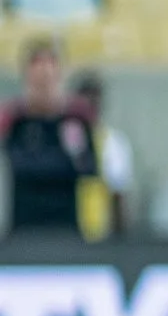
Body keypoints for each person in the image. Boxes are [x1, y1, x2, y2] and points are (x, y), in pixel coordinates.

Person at [0, 38, 98, 237]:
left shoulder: (75, 119)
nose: (44, 87)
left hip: (67, 228)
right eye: (38, 82)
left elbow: (88, 169)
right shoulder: (16, 121)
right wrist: (61, 162)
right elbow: (19, 166)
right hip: (24, 229)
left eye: (50, 79)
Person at [71, 70, 137, 240]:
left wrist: (119, 240)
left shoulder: (113, 142)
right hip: (66, 232)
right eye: (85, 97)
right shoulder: (66, 137)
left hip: (98, 234)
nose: (90, 103)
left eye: (95, 97)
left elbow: (119, 195)